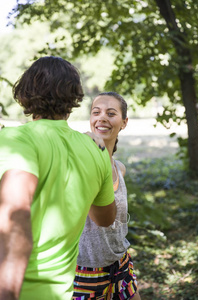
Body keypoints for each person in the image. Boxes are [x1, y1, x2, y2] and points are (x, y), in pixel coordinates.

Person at [0, 56, 117, 300]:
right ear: (73, 98)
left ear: (25, 92)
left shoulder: (15, 140)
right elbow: (105, 218)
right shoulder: (95, 150)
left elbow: (15, 228)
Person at [73, 92, 141, 300]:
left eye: (111, 113)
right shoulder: (78, 162)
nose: (102, 117)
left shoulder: (120, 169)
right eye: (96, 112)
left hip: (120, 264)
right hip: (85, 274)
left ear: (124, 122)